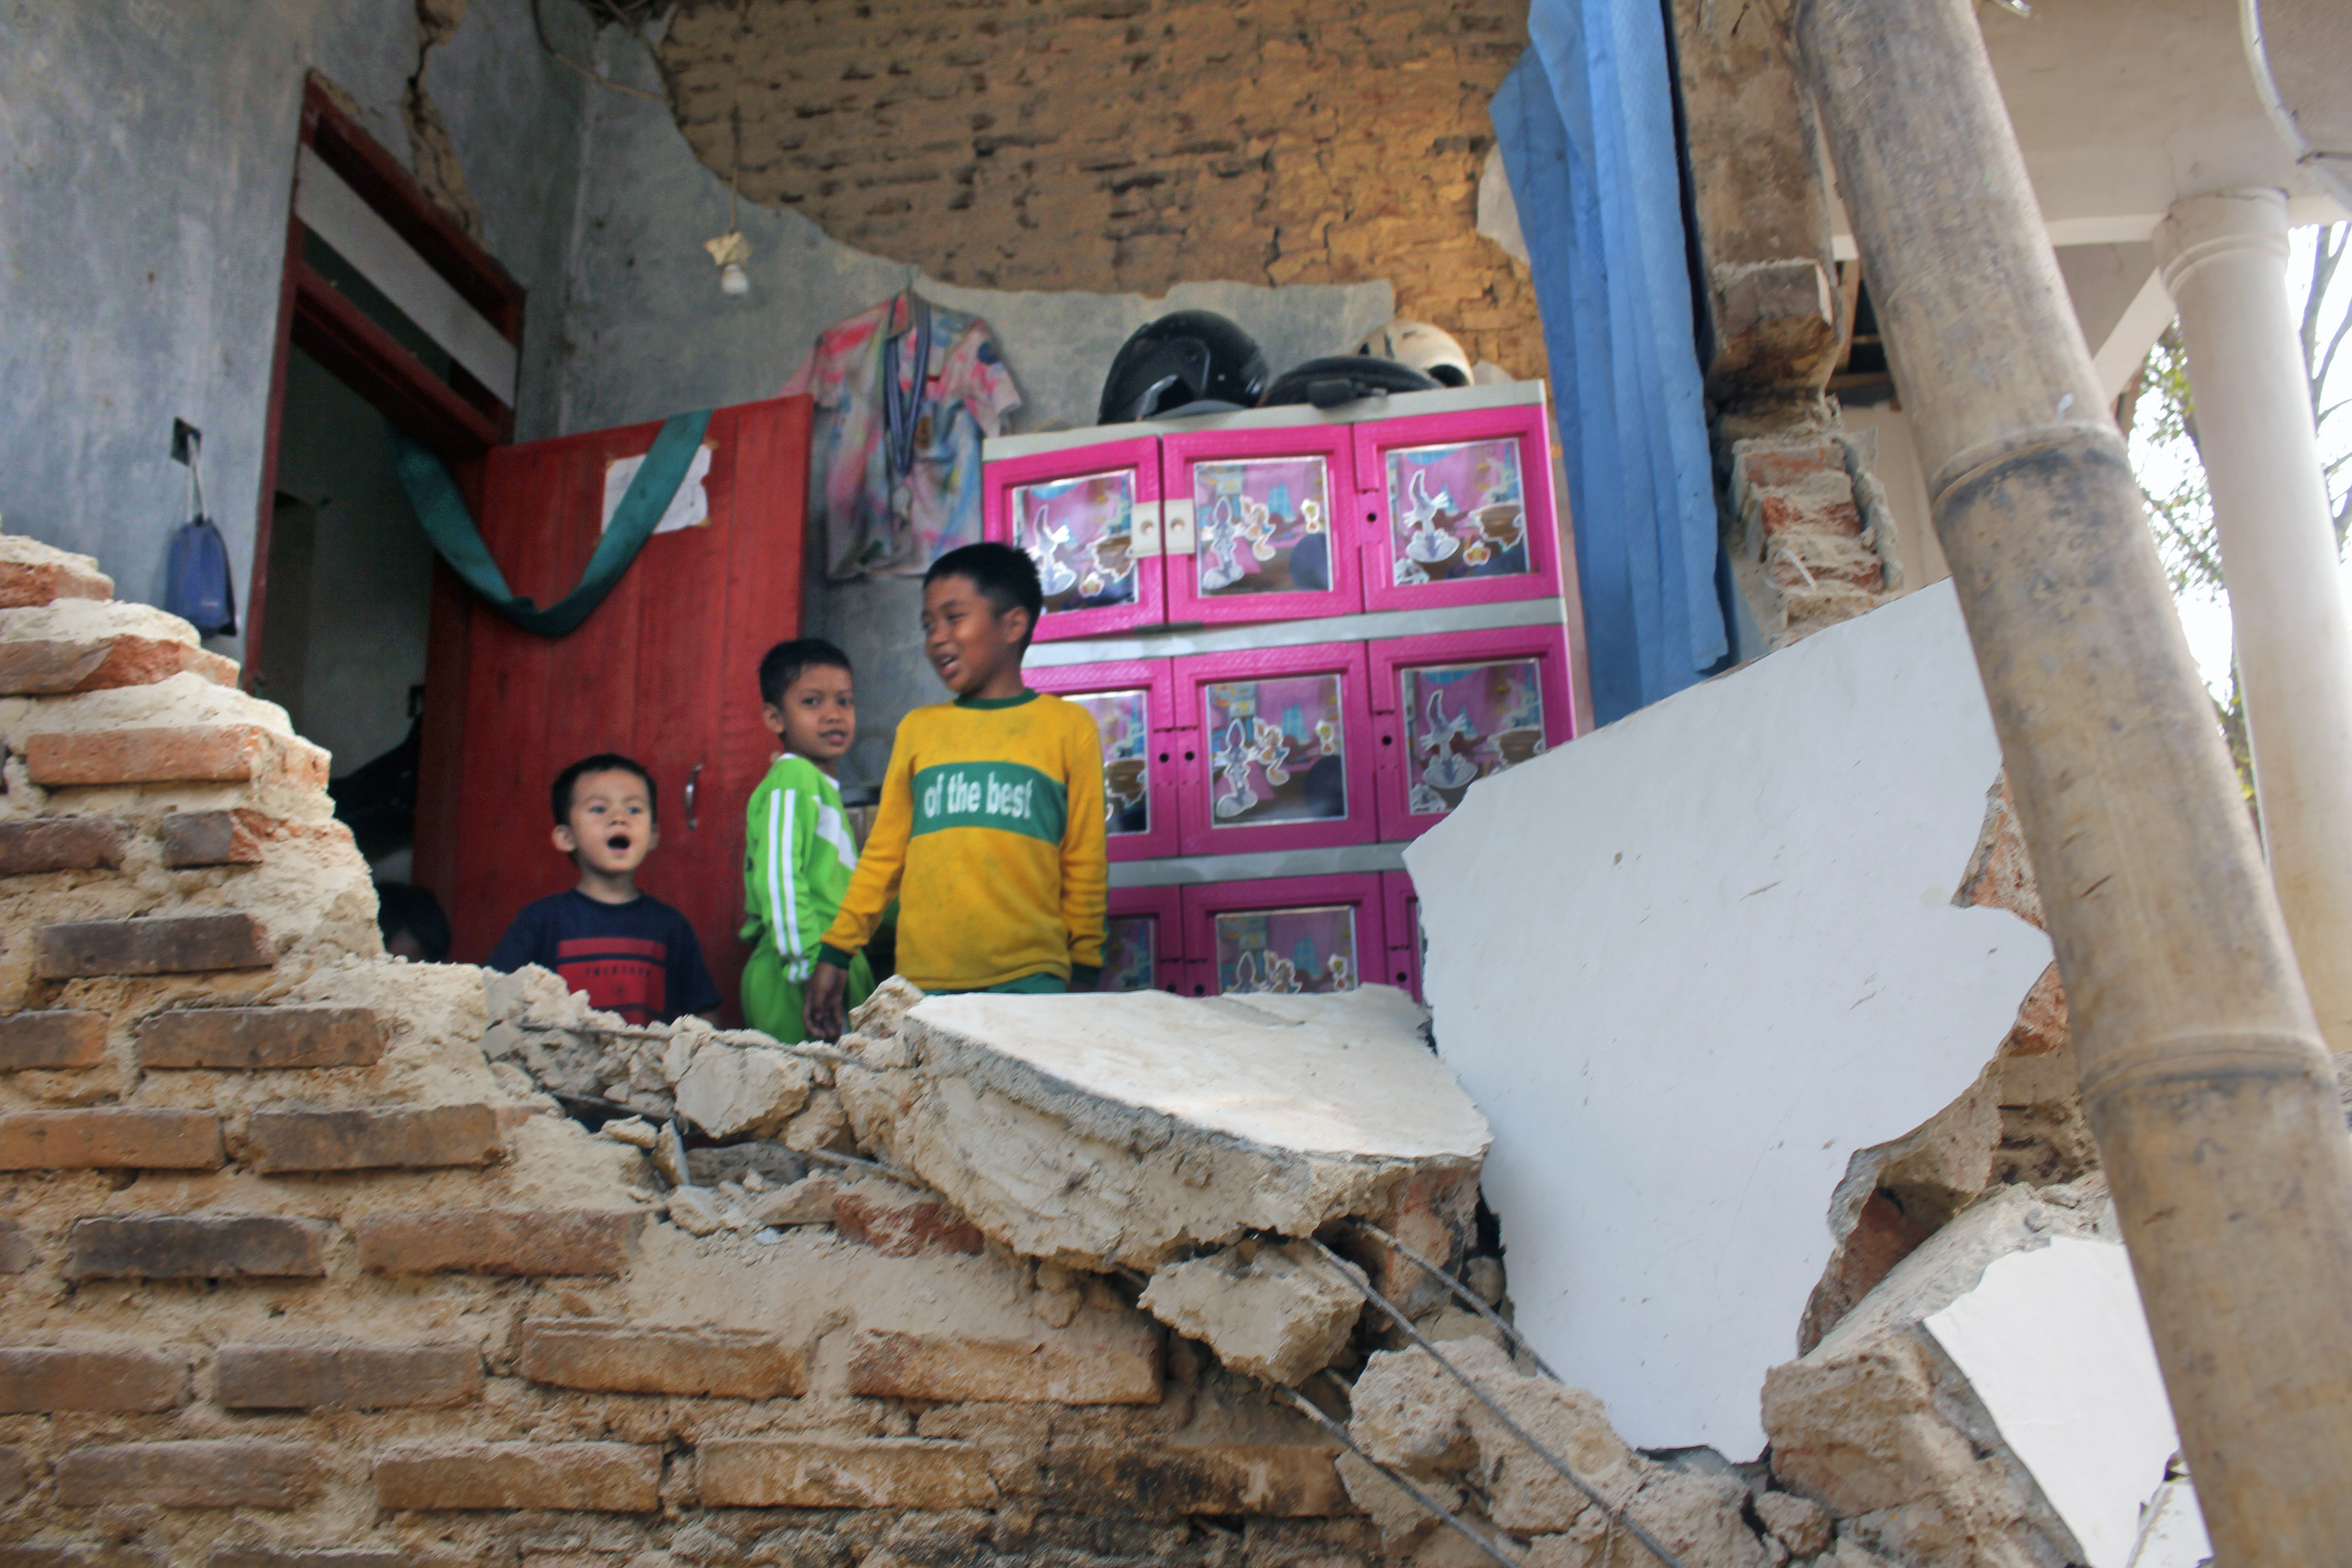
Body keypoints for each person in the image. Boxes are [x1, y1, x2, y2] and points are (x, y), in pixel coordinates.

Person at [803, 541, 1106, 1039]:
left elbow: (1085, 860)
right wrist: (838, 950)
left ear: (1012, 624)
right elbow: (883, 856)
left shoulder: (1068, 728)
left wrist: (1086, 968)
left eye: (953, 618)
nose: (936, 638)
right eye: (928, 625)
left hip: (1033, 983)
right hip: (923, 986)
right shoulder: (919, 730)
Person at [486, 754, 720, 1027]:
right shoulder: (541, 921)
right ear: (566, 837)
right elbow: (493, 997)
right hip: (560, 1064)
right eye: (599, 809)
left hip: (645, 1067)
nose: (619, 819)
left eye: (634, 810)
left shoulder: (671, 927)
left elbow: (704, 1017)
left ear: (654, 835)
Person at [740, 637, 876, 1039]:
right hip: (797, 971)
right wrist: (809, 964)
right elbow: (779, 878)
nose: (833, 715)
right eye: (812, 702)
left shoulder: (822, 786)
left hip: (832, 962)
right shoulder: (793, 778)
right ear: (775, 718)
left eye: (845, 701)